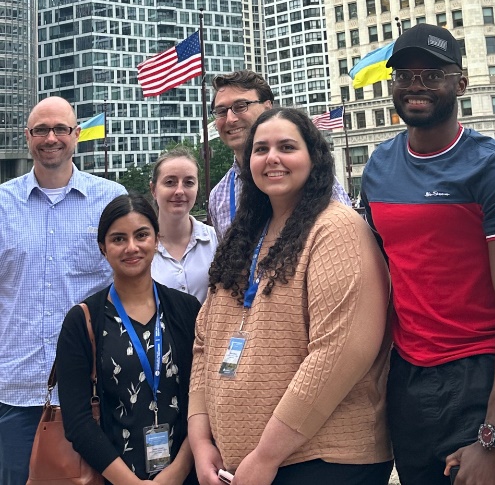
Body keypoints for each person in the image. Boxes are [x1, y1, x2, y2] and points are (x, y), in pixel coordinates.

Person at [360, 23, 495, 485]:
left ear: (460, 83)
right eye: (404, 74)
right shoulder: (379, 167)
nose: (415, 84)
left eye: (432, 73)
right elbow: (383, 276)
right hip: (409, 376)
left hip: (482, 375)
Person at [188, 107, 393, 485]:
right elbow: (205, 344)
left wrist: (267, 455)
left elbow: (339, 352)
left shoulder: (335, 229)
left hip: (322, 462)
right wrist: (201, 442)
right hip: (241, 466)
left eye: (287, 147)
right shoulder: (244, 235)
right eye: (260, 149)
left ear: (313, 158)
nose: (272, 158)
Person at [0, 96, 125, 485]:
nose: (51, 137)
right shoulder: (2, 204)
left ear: (76, 135)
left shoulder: (110, 199)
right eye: (41, 130)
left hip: (94, 387)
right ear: (27, 137)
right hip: (17, 387)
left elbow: (129, 283)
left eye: (60, 129)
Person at [57, 194, 201, 485]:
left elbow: (204, 397)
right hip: (110, 476)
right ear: (103, 248)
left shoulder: (187, 310)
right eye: (119, 239)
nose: (131, 247)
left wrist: (180, 470)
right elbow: (78, 421)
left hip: (185, 474)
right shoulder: (82, 321)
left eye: (142, 235)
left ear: (156, 241)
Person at [207, 71, 350, 240]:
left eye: (241, 106)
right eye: (221, 111)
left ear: (268, 108)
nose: (230, 119)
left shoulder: (310, 179)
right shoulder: (219, 196)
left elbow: (346, 238)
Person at [150, 147, 217, 304]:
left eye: (188, 182)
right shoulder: (140, 248)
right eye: (170, 182)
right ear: (153, 189)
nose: (179, 190)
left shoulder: (217, 241)